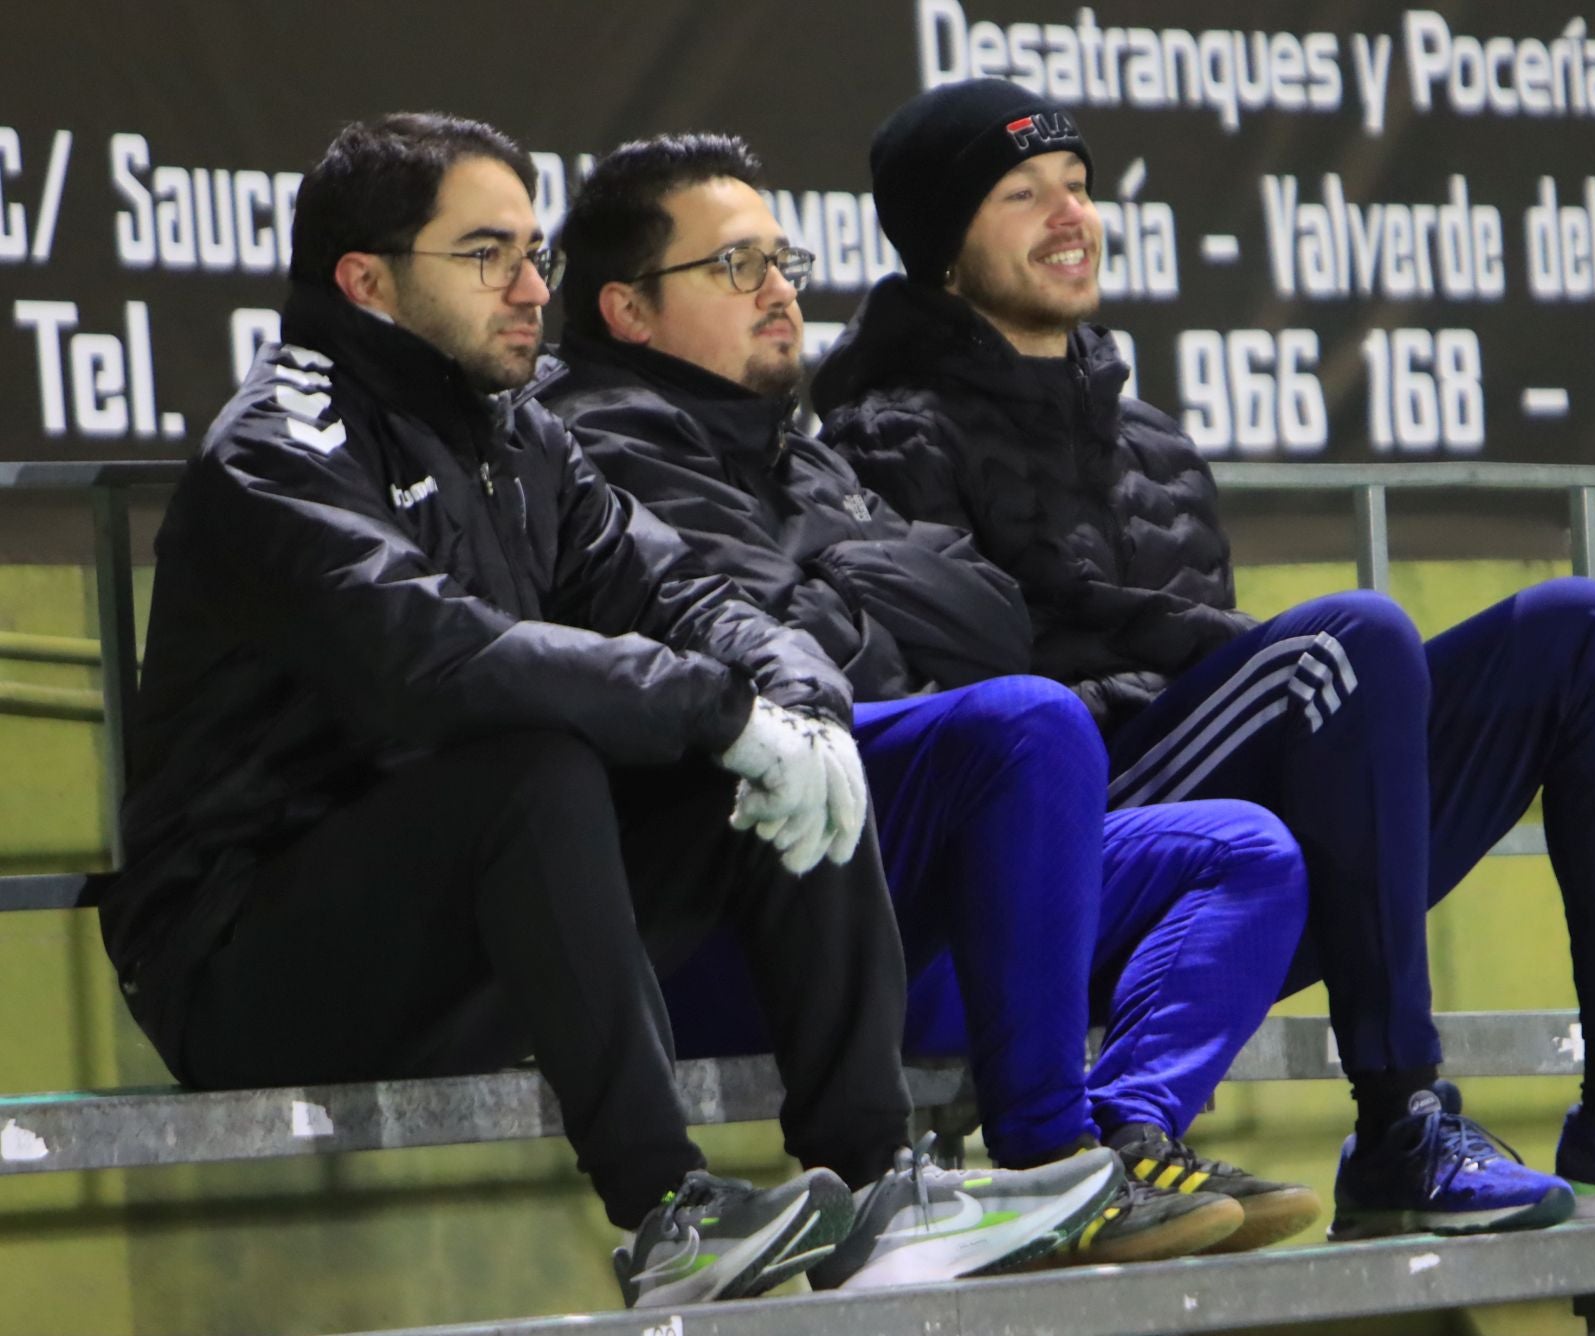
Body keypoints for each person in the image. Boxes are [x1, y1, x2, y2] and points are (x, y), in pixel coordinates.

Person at [91, 111, 1125, 1310]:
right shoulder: (281, 442)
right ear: (367, 281)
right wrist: (713, 704)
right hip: (244, 962)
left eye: (536, 252)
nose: (533, 286)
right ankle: (666, 1214)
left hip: (457, 929)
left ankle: (875, 1182)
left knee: (780, 756)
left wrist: (791, 700)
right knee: (534, 762)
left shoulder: (521, 438)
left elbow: (683, 590)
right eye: (487, 254)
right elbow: (434, 659)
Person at [811, 79, 1595, 1240]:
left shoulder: (1151, 441)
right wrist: (1211, 681)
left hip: (1242, 865)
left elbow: (1221, 678)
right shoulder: (884, 433)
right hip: (1074, 864)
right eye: (1020, 196)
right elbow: (966, 703)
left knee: (1592, 633)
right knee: (1352, 643)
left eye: (1077, 186)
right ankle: (1400, 1116)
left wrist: (1230, 687)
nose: (1069, 217)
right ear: (941, 255)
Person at [537, 132, 1321, 1262]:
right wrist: (868, 590)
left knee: (1243, 849)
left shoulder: (800, 457)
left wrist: (834, 577)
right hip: (726, 923)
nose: (779, 293)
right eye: (734, 267)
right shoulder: (601, 446)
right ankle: (1053, 1164)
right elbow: (798, 661)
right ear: (627, 310)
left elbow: (992, 620)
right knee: (1032, 724)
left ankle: (1126, 1135)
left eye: (783, 261)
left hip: (883, 910)